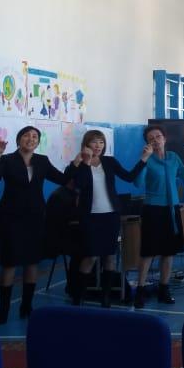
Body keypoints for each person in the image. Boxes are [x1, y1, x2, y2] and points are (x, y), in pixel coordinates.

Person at [0, 126, 72, 324]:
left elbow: (62, 179)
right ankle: (4, 309)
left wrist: (76, 164)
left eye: (34, 137)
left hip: (35, 217)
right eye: (26, 136)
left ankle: (27, 305)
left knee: (32, 261)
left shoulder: (42, 160)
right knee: (9, 262)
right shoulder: (7, 159)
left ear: (38, 142)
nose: (31, 139)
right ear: (18, 140)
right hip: (10, 218)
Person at [68, 130, 152, 307]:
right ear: (86, 144)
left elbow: (129, 177)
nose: (98, 146)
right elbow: (78, 185)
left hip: (111, 215)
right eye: (94, 142)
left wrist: (143, 159)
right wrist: (85, 162)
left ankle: (105, 297)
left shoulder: (109, 161)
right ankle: (78, 296)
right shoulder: (78, 164)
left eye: (101, 142)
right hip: (89, 217)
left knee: (110, 256)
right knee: (90, 256)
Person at [132, 124, 184, 309]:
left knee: (168, 252)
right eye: (151, 138)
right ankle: (140, 290)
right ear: (147, 143)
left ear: (165, 139)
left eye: (158, 136)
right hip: (153, 209)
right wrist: (144, 159)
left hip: (172, 209)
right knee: (148, 252)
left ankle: (164, 289)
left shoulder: (173, 157)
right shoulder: (148, 159)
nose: (155, 140)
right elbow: (137, 183)